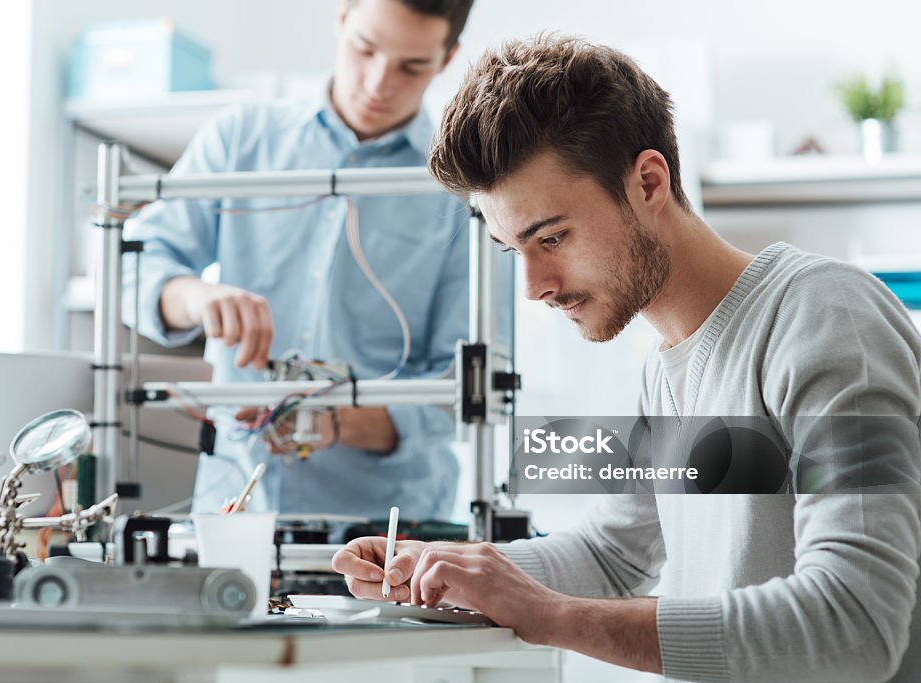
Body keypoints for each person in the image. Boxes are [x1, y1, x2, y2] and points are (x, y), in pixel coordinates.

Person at [333, 35, 921, 682]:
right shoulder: (667, 367)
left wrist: (549, 613)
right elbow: (612, 555)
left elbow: (858, 625)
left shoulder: (827, 319)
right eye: (513, 250)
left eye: (552, 236)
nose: (534, 286)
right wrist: (447, 566)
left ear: (648, 182)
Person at [123, 0, 476, 519]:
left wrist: (336, 423)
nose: (379, 83)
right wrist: (197, 297)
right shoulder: (241, 139)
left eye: (411, 66)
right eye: (365, 49)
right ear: (340, 20)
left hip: (390, 527)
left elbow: (469, 383)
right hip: (232, 506)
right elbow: (134, 267)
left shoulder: (463, 188)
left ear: (447, 58)